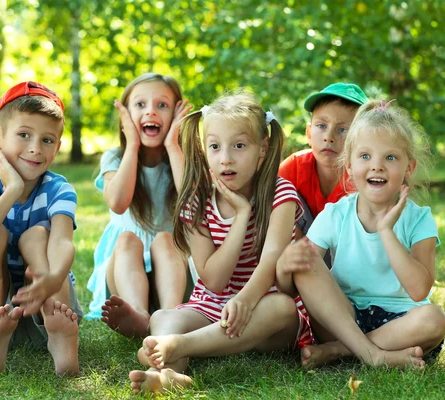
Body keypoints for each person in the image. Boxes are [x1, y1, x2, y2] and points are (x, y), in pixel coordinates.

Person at [128, 91, 314, 394]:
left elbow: (271, 259)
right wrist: (241, 216)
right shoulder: (196, 201)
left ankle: (181, 346)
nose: (225, 157)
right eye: (214, 146)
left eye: (239, 146)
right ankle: (166, 374)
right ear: (204, 149)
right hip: (211, 308)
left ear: (262, 149)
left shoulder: (281, 194)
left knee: (281, 307)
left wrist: (246, 300)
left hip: (263, 313)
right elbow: (213, 281)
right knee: (163, 316)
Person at [276, 99, 445, 369]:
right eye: (365, 156)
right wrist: (286, 266)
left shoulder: (419, 219)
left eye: (390, 157)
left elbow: (418, 290)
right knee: (306, 259)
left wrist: (386, 231)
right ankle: (372, 355)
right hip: (342, 319)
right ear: (349, 167)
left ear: (409, 168)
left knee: (435, 319)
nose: (377, 166)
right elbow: (297, 279)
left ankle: (339, 351)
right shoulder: (336, 214)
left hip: (401, 324)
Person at [0, 81, 82, 375]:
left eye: (47, 140)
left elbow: (62, 242)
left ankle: (61, 343)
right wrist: (12, 190)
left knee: (37, 236)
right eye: (24, 135)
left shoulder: (59, 189)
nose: (36, 148)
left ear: (58, 147)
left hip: (51, 308)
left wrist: (52, 278)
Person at [87, 73, 193, 338]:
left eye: (162, 105)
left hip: (173, 273)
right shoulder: (116, 157)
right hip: (124, 276)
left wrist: (173, 145)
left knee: (167, 239)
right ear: (126, 115)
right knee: (126, 240)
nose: (151, 112)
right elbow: (118, 203)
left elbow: (194, 203)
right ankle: (138, 314)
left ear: (177, 113)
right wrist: (132, 145)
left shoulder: (184, 158)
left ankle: (169, 316)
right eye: (140, 105)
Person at [279, 82, 368, 241]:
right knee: (283, 196)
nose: (329, 137)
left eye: (342, 130)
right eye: (321, 125)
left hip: (345, 254)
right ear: (309, 133)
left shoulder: (365, 177)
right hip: (296, 252)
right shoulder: (293, 168)